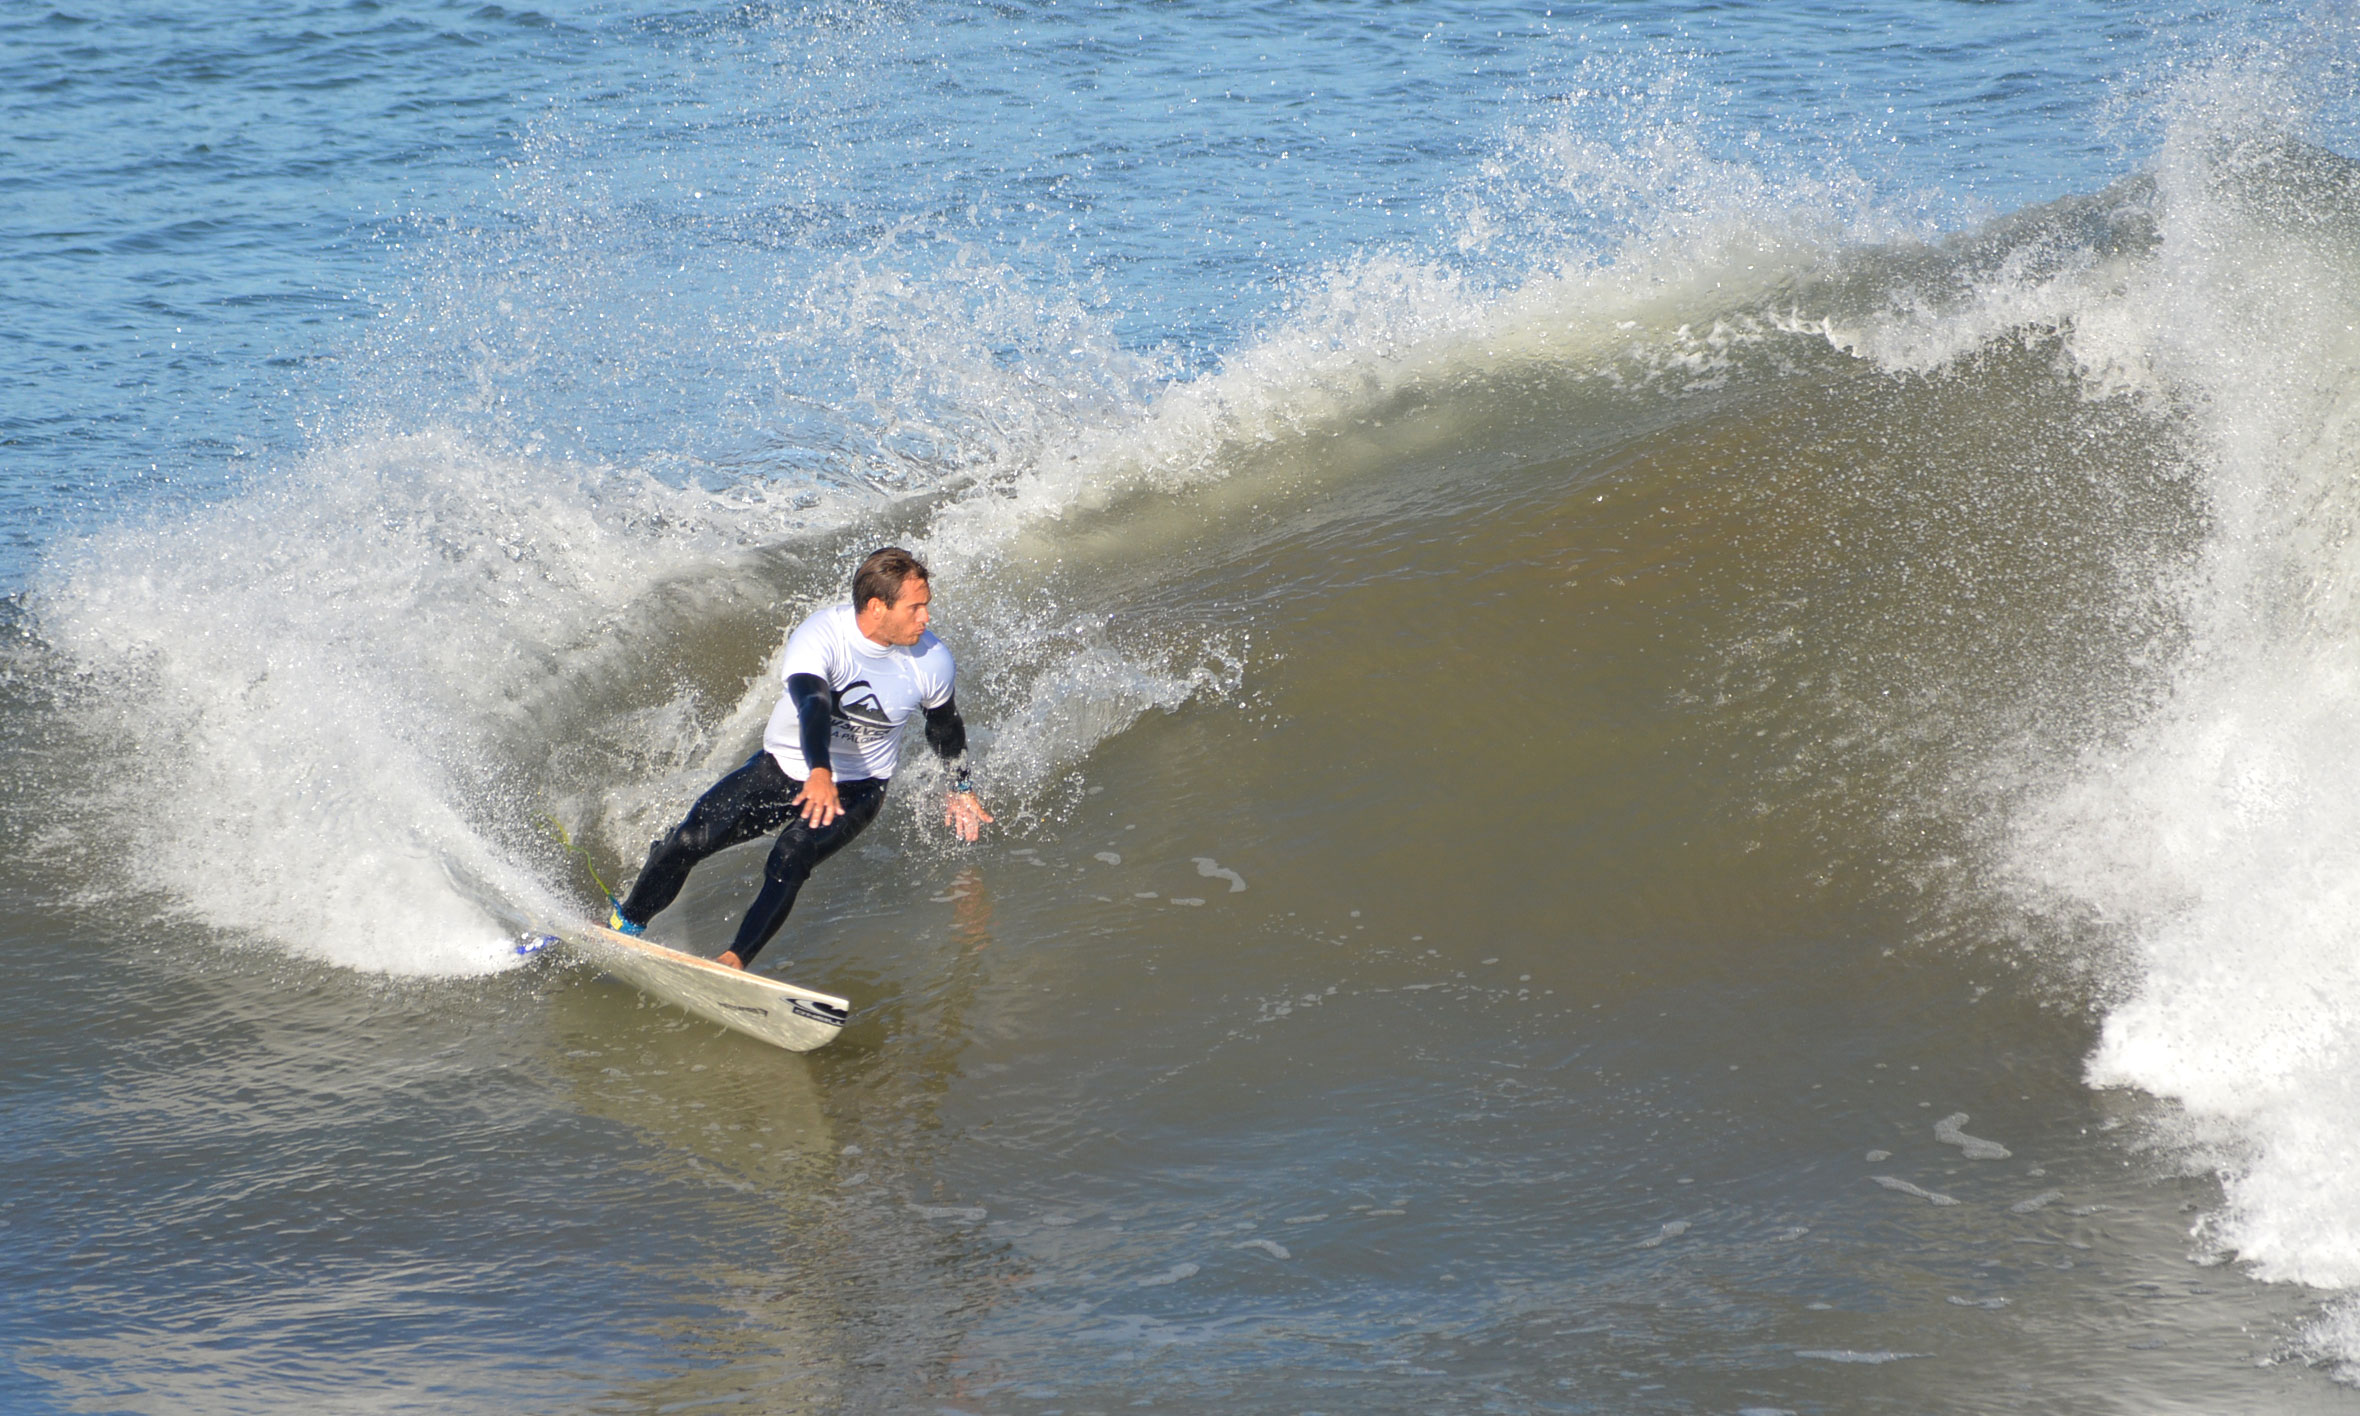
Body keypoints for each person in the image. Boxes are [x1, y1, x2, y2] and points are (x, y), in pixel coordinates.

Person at [607, 546, 992, 969]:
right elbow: (812, 704)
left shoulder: (932, 661)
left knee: (791, 854)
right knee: (689, 840)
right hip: (783, 767)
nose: (926, 618)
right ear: (877, 607)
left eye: (926, 606)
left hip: (860, 785)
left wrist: (961, 786)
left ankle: (734, 960)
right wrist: (819, 770)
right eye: (916, 607)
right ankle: (625, 926)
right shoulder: (822, 636)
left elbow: (944, 727)